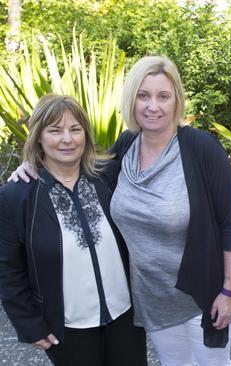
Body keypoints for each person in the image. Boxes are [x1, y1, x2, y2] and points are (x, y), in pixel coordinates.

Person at [10, 56, 231, 366]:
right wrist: (32, 164)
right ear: (131, 100)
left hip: (203, 296)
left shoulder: (201, 149)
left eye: (163, 96)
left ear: (177, 101)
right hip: (153, 301)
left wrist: (229, 291)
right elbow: (79, 164)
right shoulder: (126, 146)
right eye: (143, 95)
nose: (153, 106)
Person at [0, 95, 147, 365]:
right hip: (68, 329)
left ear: (86, 135)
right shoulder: (16, 197)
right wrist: (30, 324)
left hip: (126, 319)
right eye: (55, 130)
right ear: (39, 138)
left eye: (75, 129)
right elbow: (9, 271)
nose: (67, 139)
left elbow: (143, 132)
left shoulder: (108, 176)